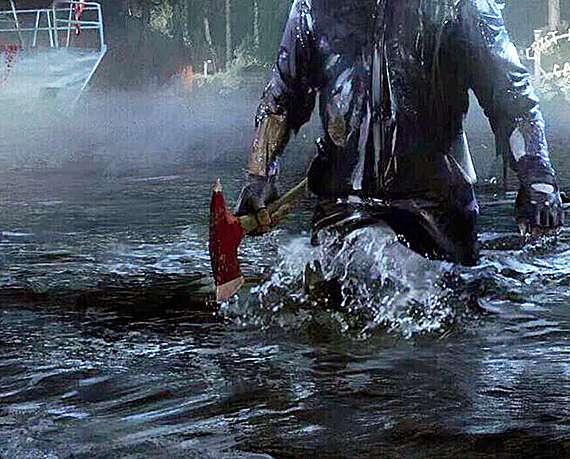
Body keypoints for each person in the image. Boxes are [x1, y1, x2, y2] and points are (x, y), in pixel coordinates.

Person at [235, 0, 564, 267]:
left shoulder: (461, 5)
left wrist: (538, 180)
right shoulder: (314, 6)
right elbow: (283, 97)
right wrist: (259, 176)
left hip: (436, 214)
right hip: (344, 209)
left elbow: (512, 100)